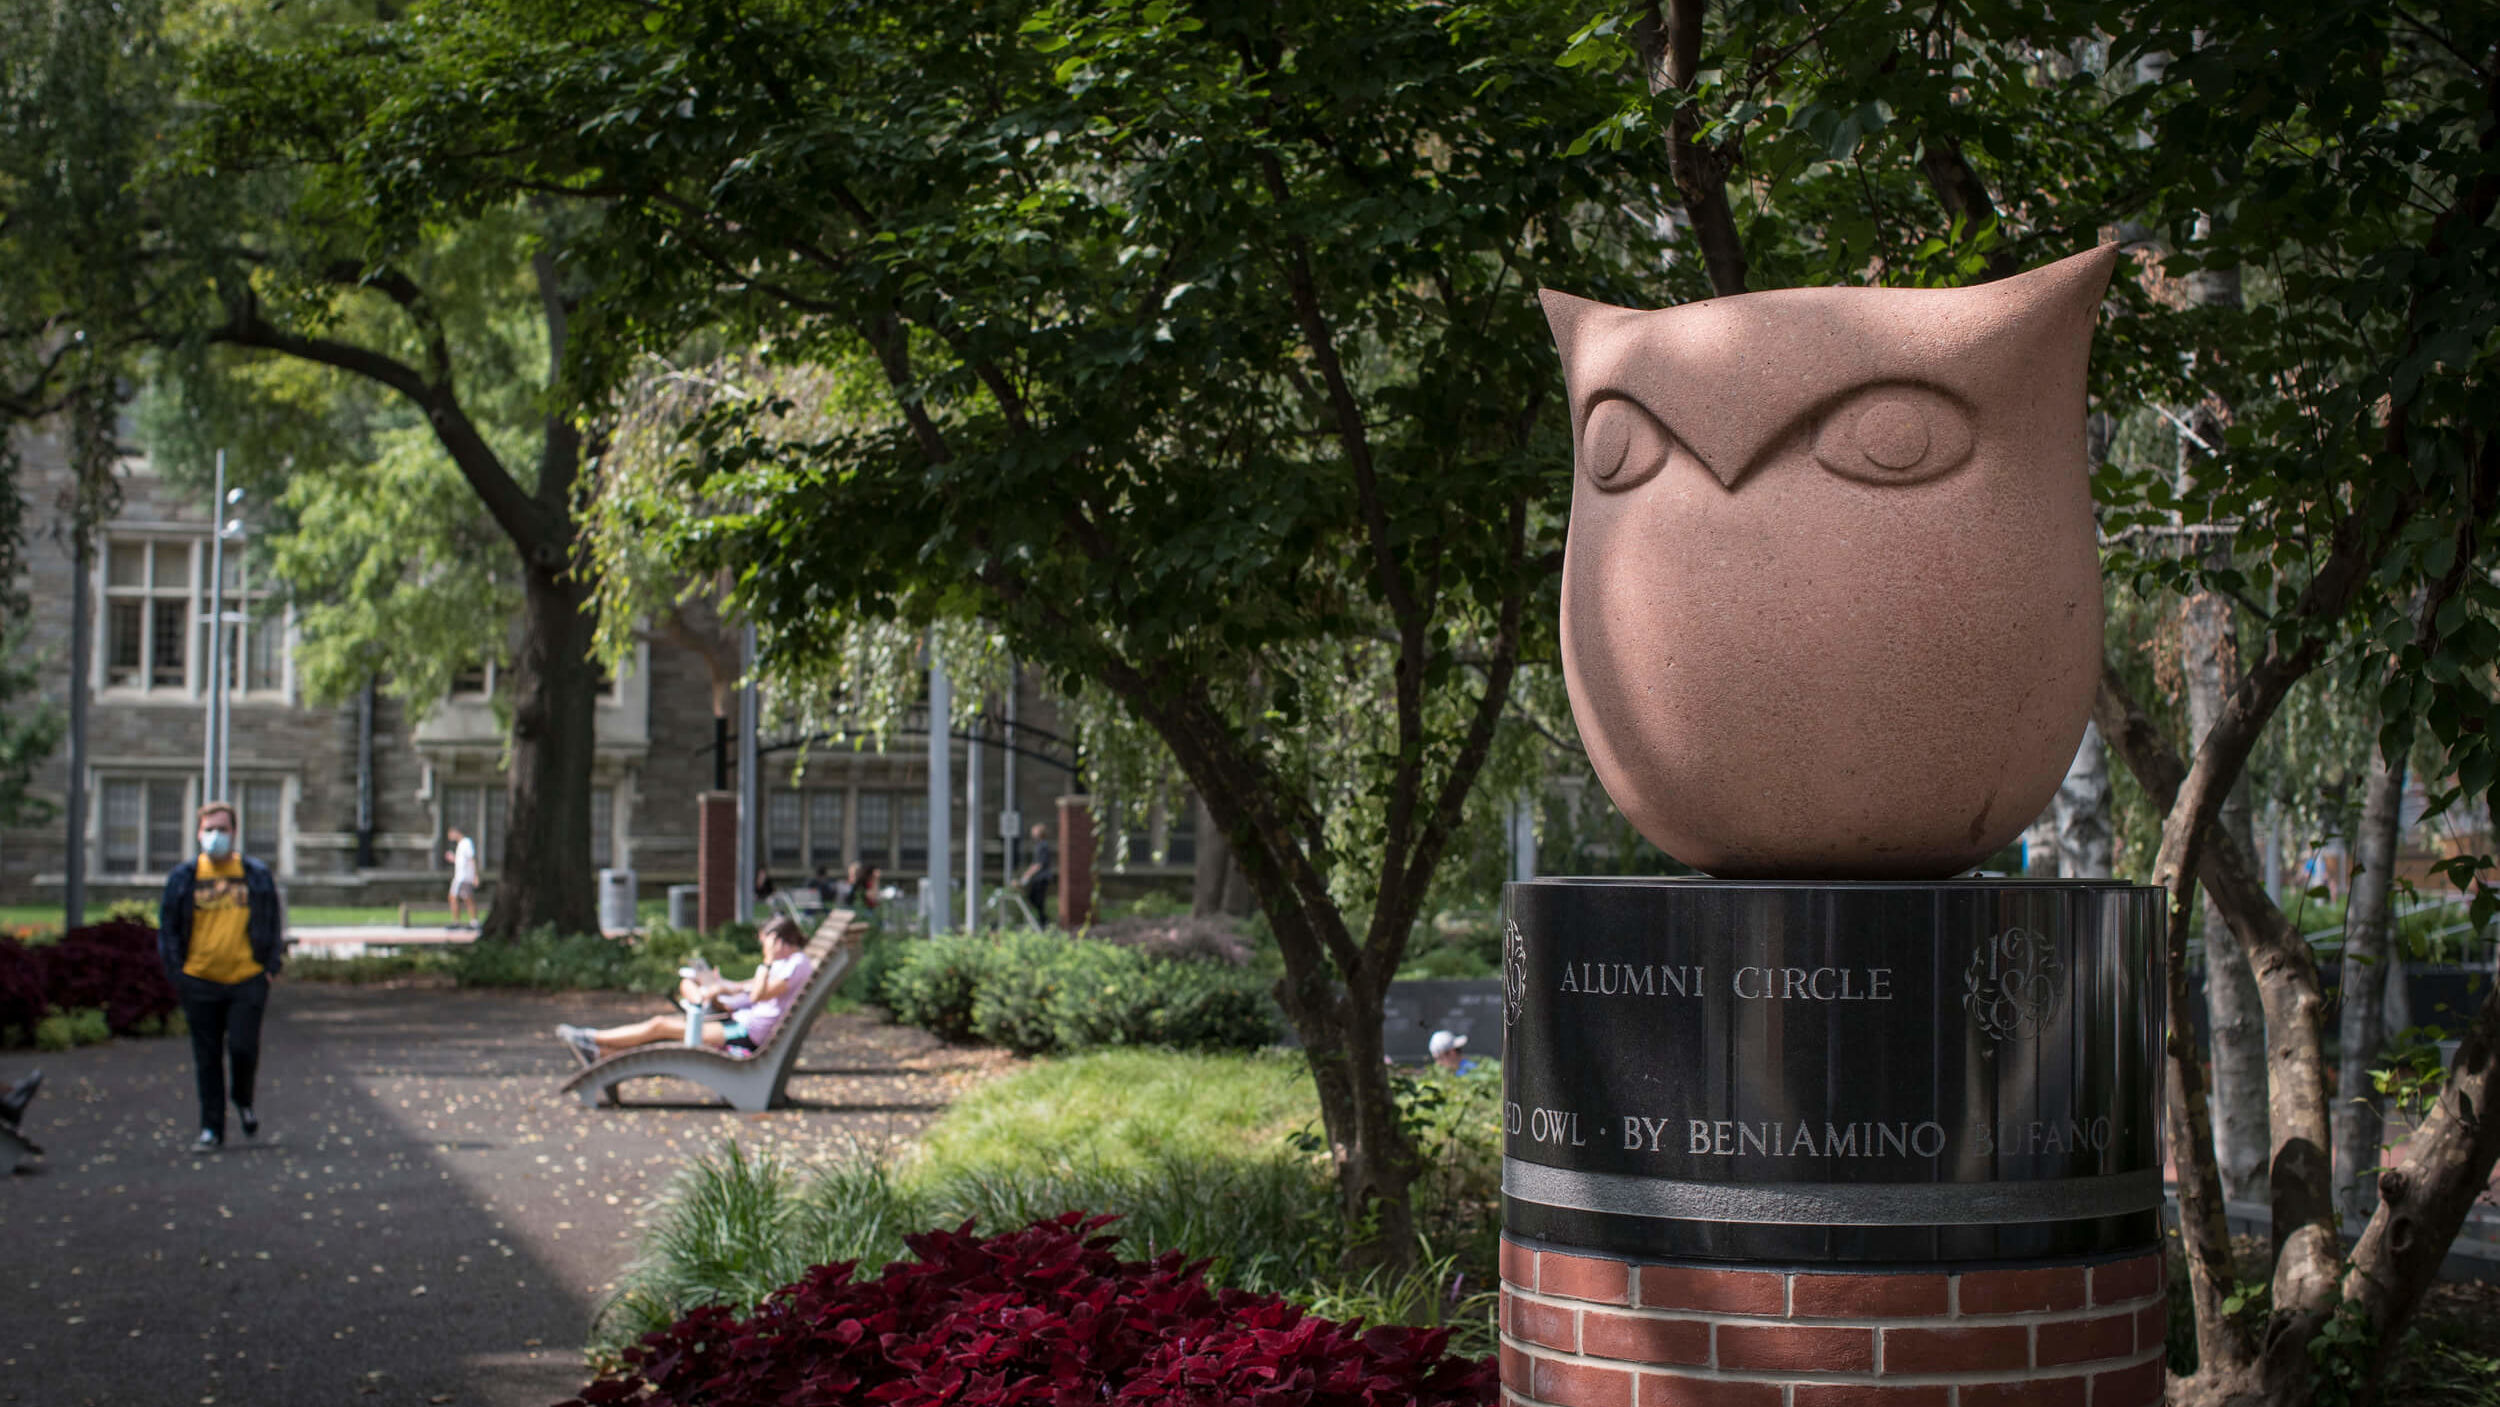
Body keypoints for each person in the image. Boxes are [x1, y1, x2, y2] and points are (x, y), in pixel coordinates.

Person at [158, 800, 286, 1154]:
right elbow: (168, 928)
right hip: (199, 980)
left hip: (246, 978)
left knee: (243, 1048)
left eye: (223, 829)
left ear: (235, 832)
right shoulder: (184, 878)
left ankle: (242, 1100)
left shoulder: (255, 874)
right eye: (209, 829)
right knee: (207, 1056)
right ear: (199, 833)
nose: (216, 836)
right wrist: (177, 973)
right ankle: (211, 1128)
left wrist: (270, 968)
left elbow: (273, 923)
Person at [555, 916, 813, 1063]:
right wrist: (725, 987)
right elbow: (754, 989)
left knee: (661, 1027)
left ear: (780, 941)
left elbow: (759, 994)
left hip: (745, 1033)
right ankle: (599, 1051)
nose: (763, 948)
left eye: (766, 942)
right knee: (664, 1030)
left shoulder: (796, 964)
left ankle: (591, 1038)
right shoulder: (787, 965)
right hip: (739, 1023)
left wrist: (766, 961)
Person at [1017, 822, 1056, 925]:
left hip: (1041, 878)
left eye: (1034, 831)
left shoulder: (1043, 846)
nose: (1032, 833)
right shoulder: (1040, 845)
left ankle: (1043, 922)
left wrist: (1026, 876)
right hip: (1038, 878)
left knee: (1037, 900)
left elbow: (1038, 865)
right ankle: (1042, 921)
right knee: (1034, 900)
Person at [445, 826, 480, 929]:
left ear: (456, 832)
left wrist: (475, 875)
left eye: (450, 834)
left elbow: (471, 859)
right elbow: (462, 861)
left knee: (466, 898)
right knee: (455, 897)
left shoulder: (466, 842)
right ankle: (458, 922)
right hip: (459, 877)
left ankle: (473, 922)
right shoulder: (460, 844)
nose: (449, 837)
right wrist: (453, 859)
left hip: (464, 877)